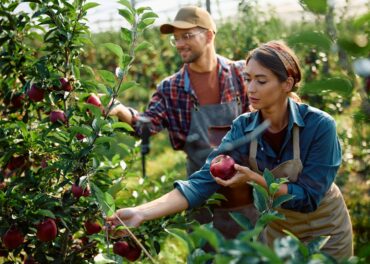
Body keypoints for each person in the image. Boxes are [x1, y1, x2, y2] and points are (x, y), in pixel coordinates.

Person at [107, 40, 353, 260]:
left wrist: (255, 179)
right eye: (248, 79)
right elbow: (200, 182)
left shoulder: (319, 126)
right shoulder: (244, 126)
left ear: (286, 83)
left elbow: (308, 198)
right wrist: (140, 213)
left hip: (326, 231)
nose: (251, 88)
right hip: (280, 231)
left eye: (261, 80)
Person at [111, 6, 257, 238]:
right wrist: (119, 110)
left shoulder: (241, 74)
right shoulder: (172, 87)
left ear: (209, 35)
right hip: (200, 200)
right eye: (176, 38)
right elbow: (146, 125)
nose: (179, 44)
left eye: (187, 35)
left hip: (248, 197)